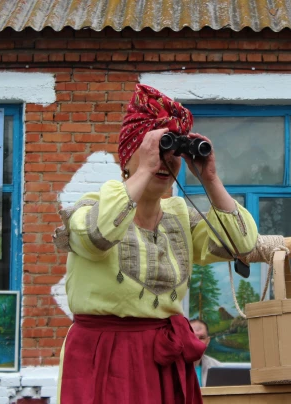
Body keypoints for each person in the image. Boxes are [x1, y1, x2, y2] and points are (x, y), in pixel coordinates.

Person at [53, 84, 258, 404]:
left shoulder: (180, 219)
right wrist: (147, 167)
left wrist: (210, 178)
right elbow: (96, 237)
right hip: (104, 356)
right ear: (129, 154)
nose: (166, 160)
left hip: (163, 359)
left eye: (174, 151)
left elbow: (241, 244)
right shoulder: (92, 208)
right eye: (157, 147)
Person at [190, 319, 222, 387]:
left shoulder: (217, 367)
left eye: (202, 338)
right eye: (192, 337)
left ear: (207, 341)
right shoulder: (171, 369)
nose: (197, 342)